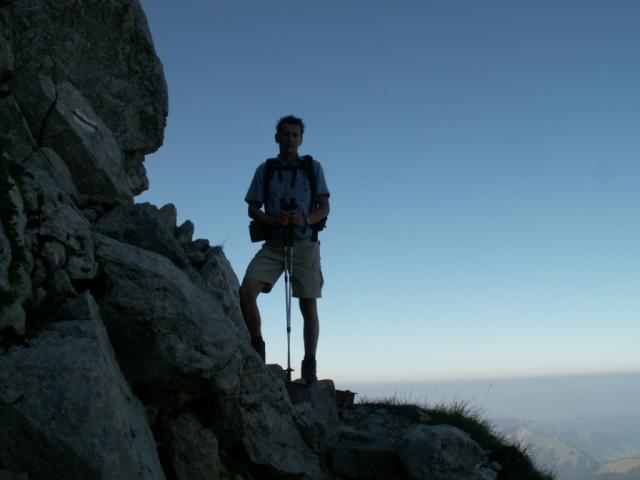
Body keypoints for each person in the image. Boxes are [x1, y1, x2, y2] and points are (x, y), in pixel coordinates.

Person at [239, 115, 330, 384]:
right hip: (275, 243)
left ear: (301, 139)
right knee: (246, 291)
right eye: (285, 134)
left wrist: (304, 220)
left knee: (308, 302)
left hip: (304, 244)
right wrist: (271, 220)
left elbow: (324, 207)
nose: (290, 139)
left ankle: (309, 364)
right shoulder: (265, 170)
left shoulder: (312, 168)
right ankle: (257, 346)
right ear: (277, 137)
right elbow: (252, 208)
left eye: (294, 135)